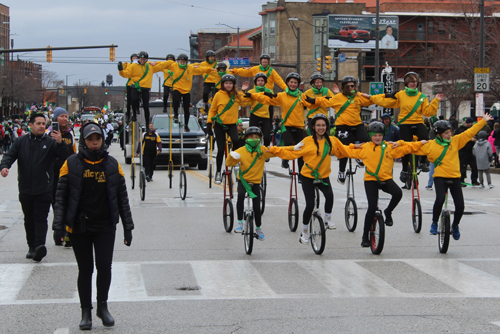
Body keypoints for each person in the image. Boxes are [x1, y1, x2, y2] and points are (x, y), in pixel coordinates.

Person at [53, 122, 134, 330]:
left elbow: (122, 199)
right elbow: (61, 198)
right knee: (86, 270)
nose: (94, 142)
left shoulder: (112, 164)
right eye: (90, 139)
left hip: (105, 225)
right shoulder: (70, 164)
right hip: (80, 226)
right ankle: (86, 311)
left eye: (97, 138)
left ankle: (103, 307)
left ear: (102, 139)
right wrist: (58, 227)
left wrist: (127, 227)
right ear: (84, 141)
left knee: (105, 268)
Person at [341, 121, 426, 247]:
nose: (377, 138)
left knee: (398, 193)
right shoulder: (364, 148)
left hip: (386, 179)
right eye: (374, 135)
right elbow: (345, 150)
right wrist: (353, 146)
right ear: (370, 135)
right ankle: (365, 236)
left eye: (380, 135)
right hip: (371, 180)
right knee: (371, 207)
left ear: (383, 135)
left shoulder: (389, 147)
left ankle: (388, 211)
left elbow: (407, 148)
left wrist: (420, 143)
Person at [270, 114, 352, 244]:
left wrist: (360, 149)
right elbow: (291, 152)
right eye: (318, 125)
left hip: (323, 176)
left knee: (330, 196)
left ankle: (328, 218)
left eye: (323, 125)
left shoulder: (332, 141)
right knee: (310, 205)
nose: (321, 128)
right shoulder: (307, 141)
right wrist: (274, 150)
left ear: (327, 126)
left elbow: (345, 150)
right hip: (308, 176)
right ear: (313, 127)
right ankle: (305, 232)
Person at [412, 113, 493, 239]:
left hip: (454, 177)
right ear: (439, 134)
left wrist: (483, 121)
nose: (450, 135)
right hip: (440, 177)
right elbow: (413, 148)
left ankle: (455, 225)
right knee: (439, 199)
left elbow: (469, 132)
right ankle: (434, 223)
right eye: (446, 133)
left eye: (450, 132)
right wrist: (397, 145)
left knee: (460, 205)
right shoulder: (431, 144)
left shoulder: (455, 141)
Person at [0, 113, 69, 261]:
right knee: (29, 219)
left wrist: (60, 143)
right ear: (30, 125)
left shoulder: (50, 142)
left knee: (40, 218)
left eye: (43, 124)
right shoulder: (20, 142)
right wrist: (4, 167)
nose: (41, 126)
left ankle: (39, 246)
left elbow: (65, 156)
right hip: (25, 188)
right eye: (38, 123)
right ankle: (31, 246)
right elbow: (9, 155)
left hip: (44, 188)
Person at [369, 72, 443, 183]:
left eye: (415, 82)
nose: (413, 84)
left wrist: (436, 100)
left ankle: (423, 162)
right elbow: (387, 101)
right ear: (406, 83)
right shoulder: (400, 95)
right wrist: (372, 98)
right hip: (405, 123)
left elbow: (428, 112)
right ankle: (404, 170)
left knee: (425, 140)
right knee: (405, 146)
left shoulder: (422, 97)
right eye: (410, 82)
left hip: (418, 122)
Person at [305, 75, 372, 184]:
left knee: (366, 141)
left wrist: (372, 97)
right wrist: (311, 100)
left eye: (353, 85)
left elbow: (371, 101)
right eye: (349, 86)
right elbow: (324, 101)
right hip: (343, 126)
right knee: (344, 149)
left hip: (357, 124)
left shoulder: (358, 96)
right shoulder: (338, 97)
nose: (352, 87)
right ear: (345, 87)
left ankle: (359, 157)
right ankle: (341, 171)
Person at [247, 72, 307, 175]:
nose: (293, 84)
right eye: (291, 82)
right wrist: (253, 95)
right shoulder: (282, 95)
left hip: (299, 125)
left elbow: (313, 103)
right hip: (287, 125)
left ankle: (301, 174)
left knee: (301, 149)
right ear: (287, 83)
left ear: (298, 84)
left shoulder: (302, 96)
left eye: (295, 83)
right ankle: (285, 159)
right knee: (287, 142)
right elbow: (267, 99)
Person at [226, 127, 280, 240]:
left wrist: (276, 148)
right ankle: (240, 222)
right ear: (246, 139)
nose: (253, 139)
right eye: (250, 137)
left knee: (257, 206)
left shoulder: (262, 150)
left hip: (255, 182)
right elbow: (229, 163)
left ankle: (259, 228)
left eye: (256, 137)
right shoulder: (241, 151)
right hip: (243, 180)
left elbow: (277, 153)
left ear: (260, 139)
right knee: (240, 196)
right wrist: (231, 156)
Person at [206, 74, 250, 184]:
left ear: (233, 85)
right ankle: (218, 173)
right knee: (220, 150)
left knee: (236, 140)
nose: (228, 85)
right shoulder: (218, 95)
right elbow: (212, 110)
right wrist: (209, 124)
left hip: (232, 124)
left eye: (230, 83)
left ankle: (234, 161)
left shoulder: (237, 95)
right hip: (220, 125)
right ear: (222, 84)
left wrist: (244, 92)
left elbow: (245, 102)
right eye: (226, 83)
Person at [162, 53, 213, 132]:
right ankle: (176, 113)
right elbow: (162, 65)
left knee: (187, 109)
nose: (182, 63)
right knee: (176, 100)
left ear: (186, 62)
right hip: (177, 88)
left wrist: (210, 69)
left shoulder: (190, 68)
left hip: (186, 90)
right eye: (181, 61)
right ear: (179, 61)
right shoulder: (174, 66)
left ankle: (186, 125)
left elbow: (200, 69)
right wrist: (152, 64)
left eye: (184, 61)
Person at [49, 107, 77, 246]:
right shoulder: (49, 133)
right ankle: (58, 233)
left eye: (66, 116)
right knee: (56, 204)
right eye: (61, 116)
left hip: (67, 173)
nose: (64, 119)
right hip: (53, 175)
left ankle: (67, 232)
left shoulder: (69, 134)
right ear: (55, 118)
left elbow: (73, 152)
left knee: (67, 203)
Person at [118, 51, 171, 124]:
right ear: (139, 59)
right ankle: (134, 114)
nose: (142, 61)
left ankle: (147, 124)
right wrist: (120, 70)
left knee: (146, 106)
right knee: (133, 99)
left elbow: (164, 64)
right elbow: (125, 74)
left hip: (145, 87)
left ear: (146, 59)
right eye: (141, 59)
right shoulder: (133, 66)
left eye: (144, 59)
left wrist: (156, 63)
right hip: (135, 86)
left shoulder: (150, 66)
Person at [245, 73, 273, 146]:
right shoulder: (251, 92)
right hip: (254, 116)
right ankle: (254, 152)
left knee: (267, 138)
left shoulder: (269, 92)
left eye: (262, 80)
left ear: (264, 82)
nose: (260, 82)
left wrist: (270, 121)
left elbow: (271, 107)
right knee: (253, 138)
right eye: (258, 80)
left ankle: (265, 153)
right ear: (256, 82)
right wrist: (243, 91)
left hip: (265, 117)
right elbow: (243, 101)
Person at [455, 117, 479, 186]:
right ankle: (461, 180)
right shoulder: (461, 129)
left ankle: (474, 180)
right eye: (469, 123)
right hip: (463, 151)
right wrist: (470, 139)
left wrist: (475, 138)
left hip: (470, 150)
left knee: (474, 166)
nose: (470, 124)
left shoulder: (471, 129)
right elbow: (461, 138)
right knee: (463, 166)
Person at [118, 53, 139, 122]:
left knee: (136, 99)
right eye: (133, 58)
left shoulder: (140, 66)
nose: (135, 59)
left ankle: (136, 110)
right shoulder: (128, 65)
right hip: (130, 84)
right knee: (129, 101)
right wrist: (121, 66)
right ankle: (128, 116)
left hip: (137, 84)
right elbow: (124, 72)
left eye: (136, 58)